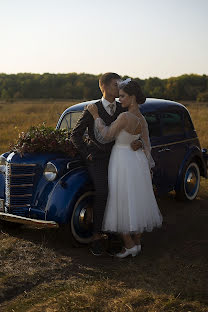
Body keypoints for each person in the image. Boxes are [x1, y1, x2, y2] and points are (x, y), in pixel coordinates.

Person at [87, 79, 163, 258]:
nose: (119, 99)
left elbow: (106, 135)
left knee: (121, 199)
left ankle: (128, 245)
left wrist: (96, 115)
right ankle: (136, 243)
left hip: (121, 159)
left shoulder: (124, 117)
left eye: (122, 96)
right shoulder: (142, 119)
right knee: (136, 200)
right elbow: (147, 145)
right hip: (137, 162)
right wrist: (138, 143)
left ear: (132, 97)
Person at [70, 73, 142, 256]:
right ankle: (96, 236)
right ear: (103, 87)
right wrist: (87, 155)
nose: (119, 88)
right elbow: (75, 135)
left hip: (119, 157)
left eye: (120, 84)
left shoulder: (122, 107)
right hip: (97, 159)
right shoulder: (92, 109)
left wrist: (137, 142)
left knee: (119, 194)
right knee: (103, 192)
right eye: (115, 84)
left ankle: (113, 234)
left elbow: (135, 129)